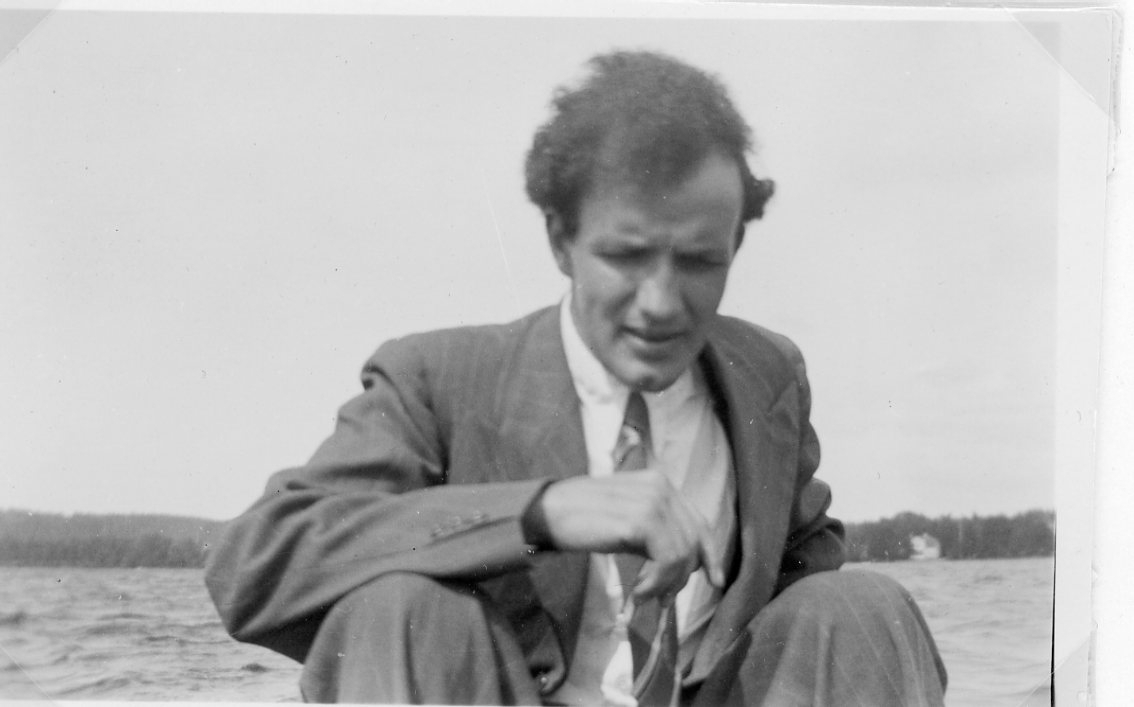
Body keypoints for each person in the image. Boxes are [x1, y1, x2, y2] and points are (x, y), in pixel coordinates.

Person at [205, 50, 948, 706]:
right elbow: (253, 565)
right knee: (401, 609)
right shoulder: (440, 379)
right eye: (626, 256)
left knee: (861, 606)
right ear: (561, 241)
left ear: (734, 244)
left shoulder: (767, 376)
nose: (661, 304)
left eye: (699, 261)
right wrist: (544, 513)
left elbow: (803, 577)